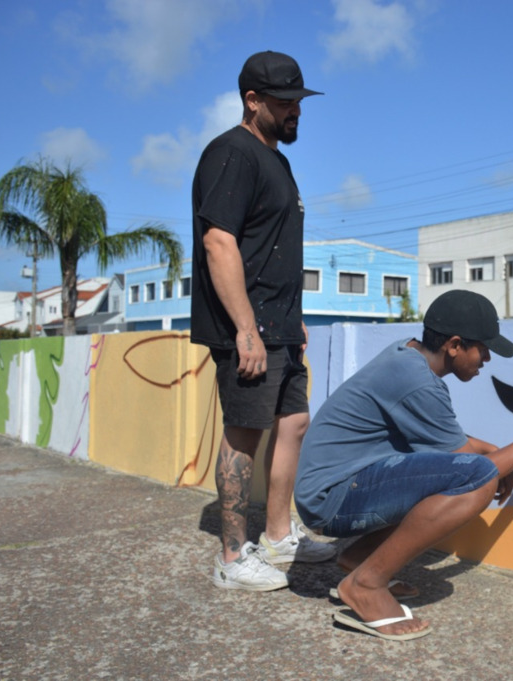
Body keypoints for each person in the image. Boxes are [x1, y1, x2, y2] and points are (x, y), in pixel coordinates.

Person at [295, 290, 513, 640]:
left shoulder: (406, 356)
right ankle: (366, 584)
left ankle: (360, 558)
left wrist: (489, 450)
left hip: (335, 485)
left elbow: (451, 444)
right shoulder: (417, 381)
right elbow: (472, 468)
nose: (487, 359)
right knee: (478, 480)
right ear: (454, 345)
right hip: (331, 498)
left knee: (471, 469)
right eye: (483, 348)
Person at [191, 50, 336, 591]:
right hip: (246, 329)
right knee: (244, 432)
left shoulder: (277, 160)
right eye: (285, 101)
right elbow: (219, 241)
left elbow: (272, 247)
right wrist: (246, 329)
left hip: (280, 326)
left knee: (293, 422)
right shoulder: (231, 153)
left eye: (300, 100)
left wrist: (290, 318)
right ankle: (232, 558)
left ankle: (278, 537)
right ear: (252, 101)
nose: (296, 110)